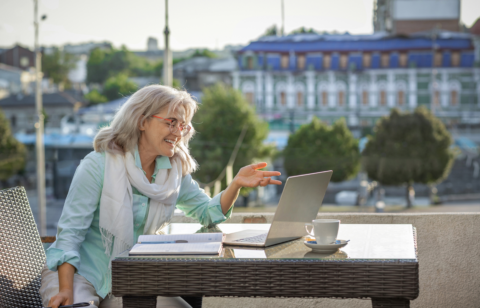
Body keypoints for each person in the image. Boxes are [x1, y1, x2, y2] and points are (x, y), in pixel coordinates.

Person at [40, 85, 282, 308]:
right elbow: (69, 235)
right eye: (171, 122)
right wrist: (66, 290)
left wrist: (236, 185)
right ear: (142, 121)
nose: (179, 132)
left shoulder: (173, 171)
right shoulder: (98, 165)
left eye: (184, 125)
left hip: (133, 280)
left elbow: (207, 213)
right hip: (81, 275)